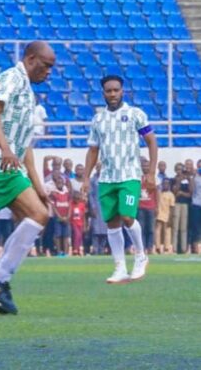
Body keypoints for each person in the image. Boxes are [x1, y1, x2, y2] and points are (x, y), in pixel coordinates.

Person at [0, 41, 54, 315]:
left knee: (34, 216)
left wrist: (38, 185)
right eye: (46, 65)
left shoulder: (28, 92)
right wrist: (4, 148)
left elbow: (25, 145)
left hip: (9, 164)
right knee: (39, 216)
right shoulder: (12, 77)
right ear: (30, 58)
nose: (49, 72)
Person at [83, 74, 158, 284]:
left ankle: (141, 255)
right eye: (109, 91)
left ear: (122, 91)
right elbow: (93, 150)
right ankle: (120, 268)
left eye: (116, 90)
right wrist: (86, 179)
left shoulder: (135, 114)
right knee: (112, 223)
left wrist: (150, 173)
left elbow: (152, 142)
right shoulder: (98, 119)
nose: (113, 94)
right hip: (107, 178)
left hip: (129, 176)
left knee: (127, 216)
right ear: (104, 93)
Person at [137, 158, 157, 254]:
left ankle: (150, 247)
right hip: (140, 206)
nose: (145, 168)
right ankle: (142, 248)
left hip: (151, 206)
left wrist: (157, 206)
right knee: (141, 228)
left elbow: (157, 193)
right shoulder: (138, 178)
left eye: (147, 166)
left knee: (151, 229)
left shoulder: (153, 178)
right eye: (144, 166)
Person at [88, 162, 108, 255]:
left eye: (101, 167)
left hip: (106, 206)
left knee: (105, 230)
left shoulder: (108, 178)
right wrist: (92, 207)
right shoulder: (92, 180)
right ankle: (95, 249)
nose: (100, 168)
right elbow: (90, 194)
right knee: (96, 230)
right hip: (96, 205)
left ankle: (102, 249)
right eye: (98, 167)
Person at [171, 162, 191, 254]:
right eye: (178, 169)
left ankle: (183, 248)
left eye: (181, 169)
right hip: (176, 203)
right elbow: (174, 191)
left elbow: (190, 193)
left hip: (185, 204)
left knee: (183, 227)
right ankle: (174, 248)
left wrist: (182, 193)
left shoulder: (187, 180)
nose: (179, 171)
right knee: (175, 227)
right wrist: (179, 181)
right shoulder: (173, 179)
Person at [50, 174, 71, 256]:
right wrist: (59, 216)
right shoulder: (54, 193)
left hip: (66, 217)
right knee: (57, 235)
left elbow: (69, 205)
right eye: (58, 182)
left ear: (63, 183)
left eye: (61, 182)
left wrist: (68, 216)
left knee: (65, 235)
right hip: (58, 217)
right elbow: (53, 206)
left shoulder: (67, 193)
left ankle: (65, 252)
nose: (60, 183)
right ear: (55, 183)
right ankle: (59, 252)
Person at [155, 178, 175, 254]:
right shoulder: (159, 193)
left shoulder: (171, 195)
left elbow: (172, 207)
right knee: (158, 230)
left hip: (167, 214)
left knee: (167, 231)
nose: (165, 185)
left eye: (167, 183)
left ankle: (166, 248)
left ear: (169, 185)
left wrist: (171, 217)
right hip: (159, 213)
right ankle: (157, 247)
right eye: (164, 183)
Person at [71, 190, 87, 256]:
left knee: (80, 237)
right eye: (75, 198)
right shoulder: (71, 204)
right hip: (74, 223)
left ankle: (78, 250)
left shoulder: (82, 205)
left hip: (80, 223)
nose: (77, 200)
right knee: (77, 235)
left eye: (78, 199)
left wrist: (85, 225)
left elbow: (83, 216)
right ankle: (75, 249)